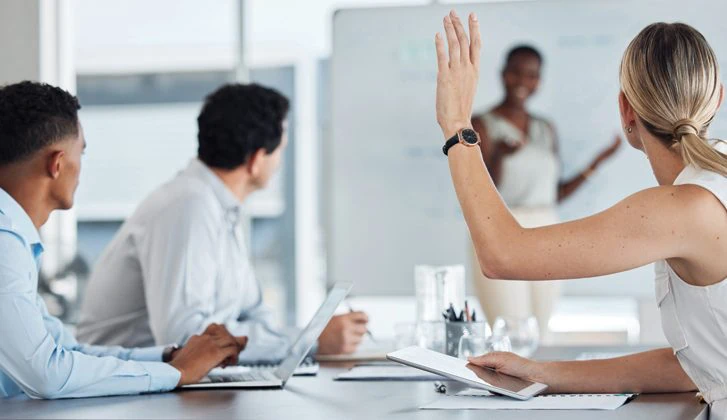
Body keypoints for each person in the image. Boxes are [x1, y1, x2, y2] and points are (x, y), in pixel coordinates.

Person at [435, 11, 727, 416]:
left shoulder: (683, 207)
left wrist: (455, 123)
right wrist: (540, 372)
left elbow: (502, 254)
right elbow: (698, 367)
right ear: (718, 99)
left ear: (626, 111)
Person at [76, 83, 369, 362]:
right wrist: (307, 341)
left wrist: (301, 341)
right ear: (256, 160)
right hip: (122, 396)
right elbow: (185, 336)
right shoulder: (188, 206)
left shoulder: (220, 209)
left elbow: (254, 313)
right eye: (280, 150)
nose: (280, 162)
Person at [0, 81, 247, 399]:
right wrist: (177, 373)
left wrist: (169, 357)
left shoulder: (13, 238)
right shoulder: (4, 241)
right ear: (57, 164)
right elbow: (47, 374)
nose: (81, 169)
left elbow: (65, 350)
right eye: (82, 154)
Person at [470, 45, 621, 335]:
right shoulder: (482, 125)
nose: (522, 82)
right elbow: (481, 192)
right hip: (501, 227)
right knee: (509, 329)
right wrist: (499, 155)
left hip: (546, 228)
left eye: (532, 75)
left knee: (540, 327)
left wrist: (598, 162)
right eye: (516, 73)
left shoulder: (545, 128)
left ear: (539, 80)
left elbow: (555, 193)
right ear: (503, 74)